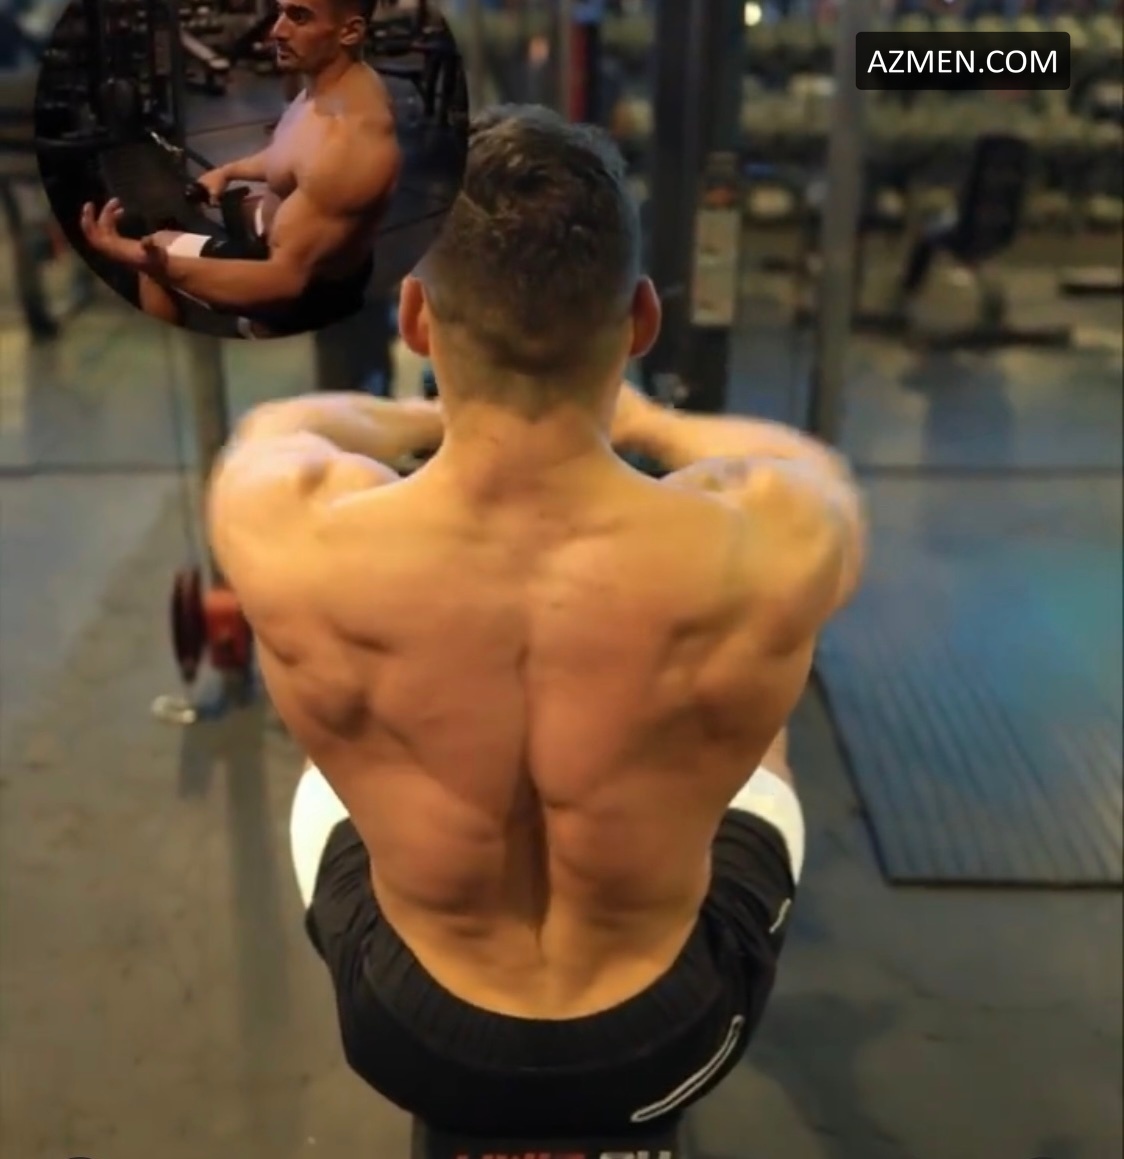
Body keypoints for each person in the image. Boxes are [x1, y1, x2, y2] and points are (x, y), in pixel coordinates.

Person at [207, 105, 866, 1137]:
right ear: (639, 320)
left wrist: (439, 410)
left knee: (329, 741)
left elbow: (281, 425)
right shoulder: (777, 532)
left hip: (411, 1033)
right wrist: (645, 421)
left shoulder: (288, 519)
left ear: (415, 318)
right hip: (666, 1034)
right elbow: (809, 465)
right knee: (768, 719)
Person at [79, 0, 401, 338]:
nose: (277, 31)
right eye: (281, 11)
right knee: (249, 206)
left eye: (299, 17)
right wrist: (228, 172)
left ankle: (248, 330)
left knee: (155, 249)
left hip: (307, 295)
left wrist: (153, 262)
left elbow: (285, 281)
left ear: (350, 31)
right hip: (309, 250)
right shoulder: (333, 82)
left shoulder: (349, 144)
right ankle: (258, 320)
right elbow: (289, 155)